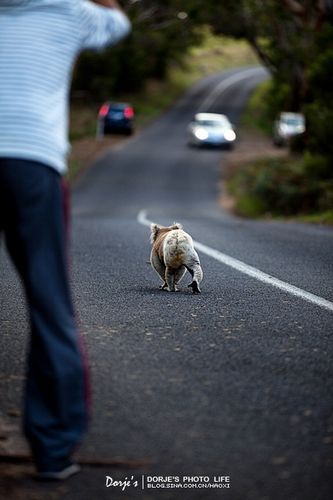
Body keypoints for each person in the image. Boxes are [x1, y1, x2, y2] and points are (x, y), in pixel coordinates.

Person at [0, 0, 131, 480]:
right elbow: (117, 22)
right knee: (49, 305)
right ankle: (54, 450)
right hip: (31, 163)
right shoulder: (71, 12)